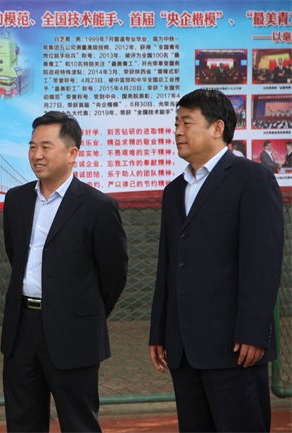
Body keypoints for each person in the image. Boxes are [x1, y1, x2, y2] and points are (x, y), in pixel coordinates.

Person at [149, 89, 283, 432]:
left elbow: (262, 263)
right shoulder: (174, 190)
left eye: (186, 123)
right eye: (176, 123)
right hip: (183, 348)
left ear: (217, 128)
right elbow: (168, 265)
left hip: (235, 347)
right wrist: (159, 330)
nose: (177, 131)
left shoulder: (252, 179)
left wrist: (254, 332)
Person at [0, 111, 128, 432]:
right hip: (21, 329)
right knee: (22, 422)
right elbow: (16, 255)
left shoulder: (98, 206)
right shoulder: (16, 200)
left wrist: (84, 310)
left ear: (72, 154)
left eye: (46, 147)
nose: (37, 155)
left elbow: (114, 274)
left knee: (79, 422)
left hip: (74, 331)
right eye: (32, 147)